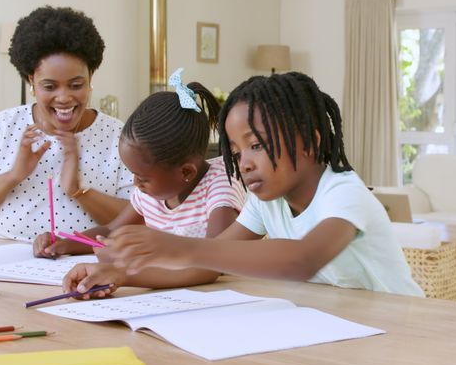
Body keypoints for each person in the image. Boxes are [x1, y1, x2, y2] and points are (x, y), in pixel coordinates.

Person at [67, 72, 424, 297]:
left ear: (311, 141)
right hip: (342, 323)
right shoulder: (266, 201)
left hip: (402, 325)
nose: (245, 162)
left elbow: (301, 260)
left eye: (257, 145)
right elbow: (208, 266)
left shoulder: (343, 192)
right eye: (235, 152)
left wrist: (174, 246)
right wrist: (122, 274)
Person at [0, 6, 133, 241]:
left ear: (90, 78)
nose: (64, 97)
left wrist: (78, 190)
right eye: (50, 86)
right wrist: (13, 175)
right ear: (31, 81)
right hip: (3, 267)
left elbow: (142, 221)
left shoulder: (119, 136)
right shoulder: (2, 127)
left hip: (87, 268)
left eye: (76, 85)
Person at [50, 69, 246, 296]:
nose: (136, 182)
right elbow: (111, 231)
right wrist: (65, 243)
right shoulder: (148, 191)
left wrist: (123, 272)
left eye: (142, 177)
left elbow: (211, 265)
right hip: (168, 296)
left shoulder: (220, 188)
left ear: (186, 172)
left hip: (221, 299)